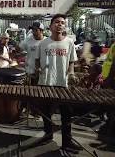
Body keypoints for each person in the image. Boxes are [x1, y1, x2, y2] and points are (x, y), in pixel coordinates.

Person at [35, 14, 82, 153]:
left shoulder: (69, 43)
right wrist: (38, 68)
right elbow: (38, 60)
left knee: (66, 114)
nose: (60, 24)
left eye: (62, 22)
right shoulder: (43, 43)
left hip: (63, 83)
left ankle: (67, 141)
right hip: (45, 82)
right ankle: (48, 135)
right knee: (45, 112)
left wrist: (72, 72)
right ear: (50, 26)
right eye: (57, 22)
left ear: (65, 26)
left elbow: (72, 61)